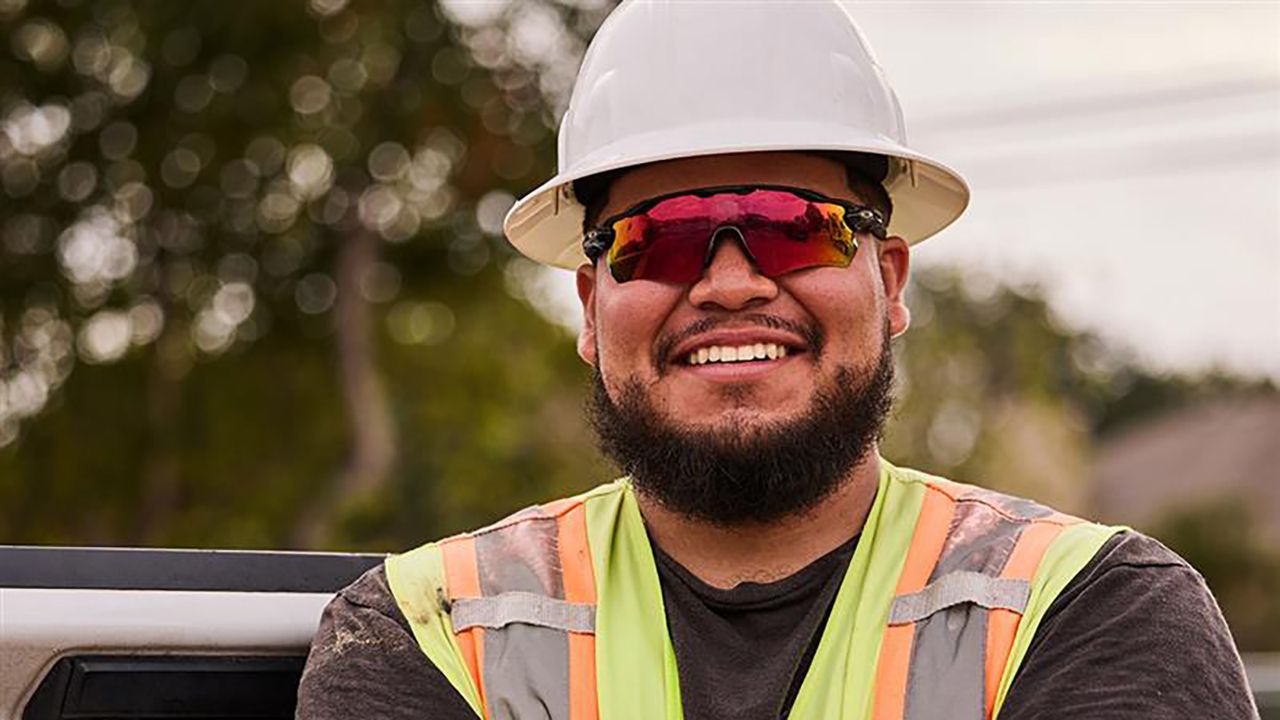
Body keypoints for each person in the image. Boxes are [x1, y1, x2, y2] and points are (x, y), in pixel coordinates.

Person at [297, 2, 1257, 718]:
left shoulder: (1093, 615)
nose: (729, 284)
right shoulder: (427, 635)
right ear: (591, 306)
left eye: (795, 229)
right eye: (659, 238)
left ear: (890, 280)